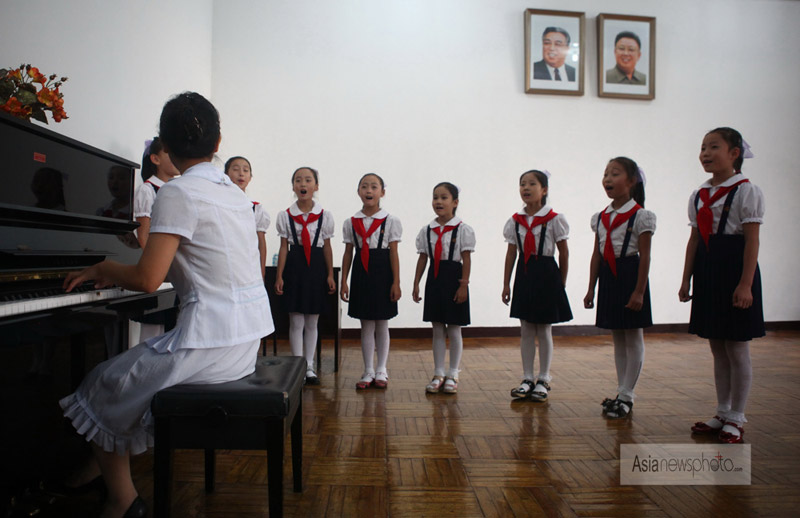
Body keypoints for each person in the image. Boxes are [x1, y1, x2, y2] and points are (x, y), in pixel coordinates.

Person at [59, 91, 273, 518]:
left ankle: (122, 500)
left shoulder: (176, 192)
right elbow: (201, 265)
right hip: (245, 339)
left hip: (209, 344)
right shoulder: (233, 192)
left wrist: (105, 266)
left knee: (101, 384)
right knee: (125, 380)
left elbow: (147, 279)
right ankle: (92, 471)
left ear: (165, 147)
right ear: (218, 144)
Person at [680, 127, 764, 444]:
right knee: (717, 346)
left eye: (714, 146)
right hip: (708, 270)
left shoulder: (746, 192)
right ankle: (723, 410)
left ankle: (738, 417)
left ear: (734, 153)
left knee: (737, 346)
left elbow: (752, 241)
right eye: (702, 147)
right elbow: (694, 241)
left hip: (734, 269)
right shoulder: (698, 195)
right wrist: (687, 278)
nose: (705, 153)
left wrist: (745, 284)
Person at [583, 157, 655, 419]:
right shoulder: (601, 217)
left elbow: (645, 257)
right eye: (605, 174)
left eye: (615, 174)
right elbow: (597, 255)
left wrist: (639, 291)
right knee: (617, 338)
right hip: (608, 278)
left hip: (630, 275)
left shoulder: (641, 216)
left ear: (632, 181)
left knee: (633, 336)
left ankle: (627, 396)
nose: (608, 179)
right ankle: (621, 390)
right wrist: (591, 288)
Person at [502, 170, 572, 402]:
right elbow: (511, 253)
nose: (526, 188)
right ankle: (527, 377)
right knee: (526, 329)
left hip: (547, 274)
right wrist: (506, 284)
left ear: (544, 190)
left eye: (532, 183)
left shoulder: (554, 219)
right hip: (524, 273)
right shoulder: (515, 221)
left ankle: (543, 378)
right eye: (522, 184)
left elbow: (564, 252)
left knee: (544, 329)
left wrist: (561, 281)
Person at [340, 173, 402, 389]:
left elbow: (394, 253)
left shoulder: (390, 221)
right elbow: (348, 253)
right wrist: (344, 281)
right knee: (365, 323)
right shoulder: (351, 222)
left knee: (382, 322)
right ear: (358, 192)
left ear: (382, 193)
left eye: (374, 187)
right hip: (361, 272)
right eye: (364, 186)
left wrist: (396, 282)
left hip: (382, 271)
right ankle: (367, 370)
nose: (369, 190)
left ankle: (382, 369)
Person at [275, 167, 336, 385]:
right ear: (293, 186)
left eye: (308, 180)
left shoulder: (324, 216)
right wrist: (279, 275)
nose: (303, 184)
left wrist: (330, 274)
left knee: (312, 320)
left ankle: (309, 366)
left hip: (317, 267)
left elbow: (327, 247)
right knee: (296, 320)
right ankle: (296, 364)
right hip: (295, 266)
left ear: (316, 186)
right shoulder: (285, 216)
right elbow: (283, 247)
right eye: (298, 180)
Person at [412, 182, 475, 394]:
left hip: (454, 278)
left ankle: (453, 373)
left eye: (444, 197)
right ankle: (438, 372)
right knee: (437, 328)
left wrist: (464, 285)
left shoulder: (463, 229)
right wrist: (416, 283)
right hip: (435, 278)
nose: (438, 201)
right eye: (435, 197)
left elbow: (466, 259)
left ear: (455, 202)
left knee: (454, 328)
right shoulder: (427, 230)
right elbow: (423, 258)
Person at [132, 137, 181, 342]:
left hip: (175, 266)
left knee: (173, 326)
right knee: (153, 329)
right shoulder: (148, 190)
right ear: (155, 159)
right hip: (158, 268)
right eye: (169, 153)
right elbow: (143, 234)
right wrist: (155, 269)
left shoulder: (177, 190)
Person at [225, 155, 270, 279]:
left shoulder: (256, 209)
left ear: (250, 177)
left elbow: (261, 242)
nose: (241, 174)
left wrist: (261, 270)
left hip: (247, 265)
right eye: (235, 169)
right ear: (226, 175)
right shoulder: (219, 205)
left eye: (245, 170)